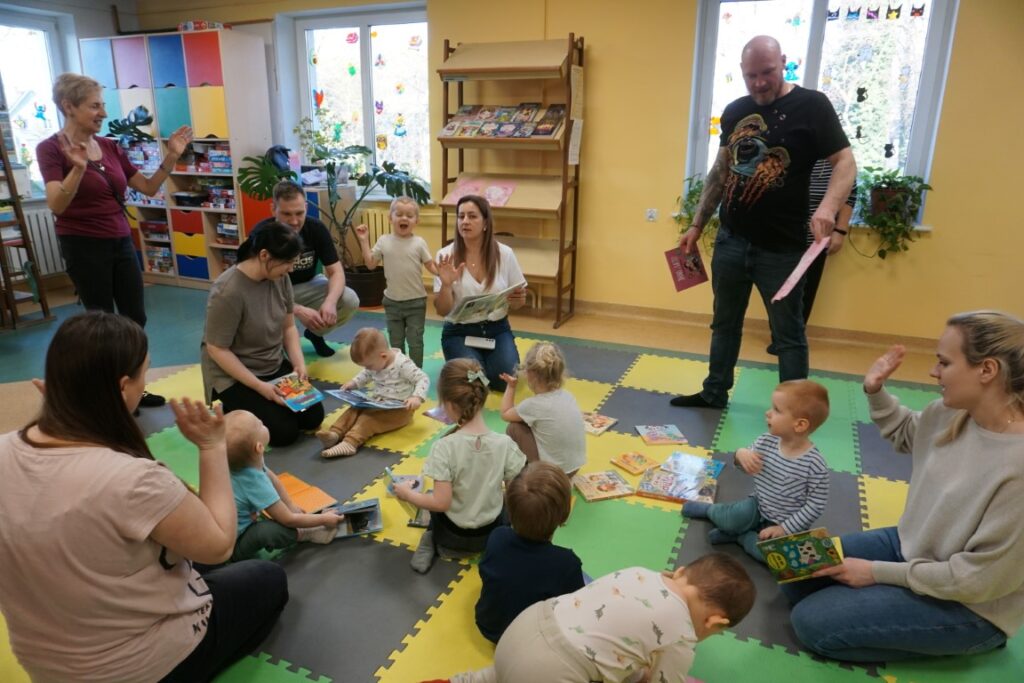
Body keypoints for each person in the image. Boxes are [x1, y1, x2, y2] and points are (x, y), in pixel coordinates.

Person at [0, 312, 287, 682]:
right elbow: (219, 545)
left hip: (46, 666)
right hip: (138, 668)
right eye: (145, 374)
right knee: (267, 578)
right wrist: (211, 446)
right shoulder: (132, 478)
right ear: (122, 388)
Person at [785, 311, 1024, 662]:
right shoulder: (949, 412)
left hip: (969, 604)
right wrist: (874, 390)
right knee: (794, 570)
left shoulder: (1016, 466)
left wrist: (876, 573)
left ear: (987, 370)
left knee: (811, 622)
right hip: (911, 545)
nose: (934, 372)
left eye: (944, 362)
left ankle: (963, 640)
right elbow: (910, 433)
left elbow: (978, 581)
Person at [672, 35, 856, 409]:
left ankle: (795, 408)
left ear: (784, 63)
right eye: (751, 75)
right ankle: (714, 392)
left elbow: (846, 163)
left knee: (788, 334)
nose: (759, 82)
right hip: (731, 241)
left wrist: (828, 208)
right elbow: (721, 172)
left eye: (767, 72)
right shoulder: (735, 110)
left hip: (784, 249)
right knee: (724, 324)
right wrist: (696, 225)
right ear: (742, 72)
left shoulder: (812, 106)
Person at [37, 73, 194, 408]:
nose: (104, 113)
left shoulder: (110, 146)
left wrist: (171, 156)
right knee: (100, 321)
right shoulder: (51, 149)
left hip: (120, 240)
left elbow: (148, 188)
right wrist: (77, 169)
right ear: (69, 106)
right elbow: (56, 204)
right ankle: (108, 394)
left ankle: (133, 385)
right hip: (82, 244)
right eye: (95, 106)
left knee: (135, 318)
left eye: (103, 105)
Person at [447, 553, 756, 683]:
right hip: (552, 670)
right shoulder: (683, 637)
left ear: (679, 573)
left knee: (501, 675)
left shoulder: (641, 573)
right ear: (715, 623)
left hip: (523, 626)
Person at [394, 358, 527, 574]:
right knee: (503, 499)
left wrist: (406, 494)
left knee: (431, 497)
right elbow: (515, 496)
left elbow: (441, 503)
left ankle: (430, 539)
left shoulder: (444, 447)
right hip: (491, 536)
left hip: (451, 537)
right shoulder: (505, 444)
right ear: (482, 398)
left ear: (446, 403)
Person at [201, 222, 325, 447]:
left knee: (312, 416)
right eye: (287, 262)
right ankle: (232, 405)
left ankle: (252, 404)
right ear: (264, 255)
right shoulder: (227, 291)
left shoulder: (280, 278)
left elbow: (288, 327)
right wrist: (260, 388)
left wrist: (299, 365)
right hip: (235, 374)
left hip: (271, 364)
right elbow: (216, 348)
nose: (290, 269)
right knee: (284, 433)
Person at [683, 379, 830, 562]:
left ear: (799, 425)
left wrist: (785, 528)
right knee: (731, 518)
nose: (768, 413)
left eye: (776, 410)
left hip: (786, 523)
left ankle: (740, 537)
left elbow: (816, 505)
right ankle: (710, 511)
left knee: (774, 558)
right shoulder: (766, 441)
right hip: (759, 506)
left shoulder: (814, 464)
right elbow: (746, 467)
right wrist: (740, 454)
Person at [475, 462, 585, 643]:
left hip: (488, 625)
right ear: (564, 515)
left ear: (509, 509)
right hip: (529, 642)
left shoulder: (497, 536)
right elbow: (575, 608)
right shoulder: (566, 563)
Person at [251, 180, 360, 358]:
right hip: (270, 292)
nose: (294, 221)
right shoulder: (261, 233)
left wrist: (330, 302)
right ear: (273, 209)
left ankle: (315, 334)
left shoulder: (316, 228)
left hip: (307, 286)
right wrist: (298, 309)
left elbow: (336, 272)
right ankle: (278, 343)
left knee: (348, 299)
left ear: (306, 207)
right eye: (286, 214)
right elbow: (254, 289)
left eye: (299, 213)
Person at [434, 195, 528, 391]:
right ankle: (470, 361)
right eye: (461, 217)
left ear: (485, 222)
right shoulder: (446, 255)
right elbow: (442, 311)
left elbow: (518, 303)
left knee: (507, 380)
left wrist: (518, 299)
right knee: (475, 384)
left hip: (496, 329)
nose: (465, 221)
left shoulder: (505, 254)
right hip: (459, 332)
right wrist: (445, 285)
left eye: (472, 216)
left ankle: (480, 361)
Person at [226, 410, 344, 561]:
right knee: (272, 530)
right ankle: (306, 534)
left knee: (277, 513)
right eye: (260, 424)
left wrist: (290, 505)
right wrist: (323, 519)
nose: (263, 421)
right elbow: (288, 520)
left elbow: (271, 478)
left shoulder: (242, 460)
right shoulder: (252, 480)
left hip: (225, 528)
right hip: (231, 548)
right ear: (259, 447)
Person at [315, 327, 429, 458]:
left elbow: (422, 378)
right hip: (377, 403)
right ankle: (335, 434)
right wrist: (354, 383)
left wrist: (416, 397)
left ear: (383, 356)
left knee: (368, 420)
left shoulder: (402, 364)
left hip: (400, 410)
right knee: (353, 409)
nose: (367, 369)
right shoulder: (377, 361)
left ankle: (350, 443)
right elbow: (366, 374)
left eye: (368, 366)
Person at [355, 196, 438, 367]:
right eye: (399, 214)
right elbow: (370, 264)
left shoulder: (419, 243)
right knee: (396, 343)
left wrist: (444, 273)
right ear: (390, 218)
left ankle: (416, 373)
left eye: (409, 215)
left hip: (416, 302)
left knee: (415, 342)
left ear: (416, 221)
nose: (404, 218)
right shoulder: (384, 241)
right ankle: (399, 371)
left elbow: (430, 265)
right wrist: (364, 241)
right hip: (392, 303)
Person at [499, 342, 586, 476]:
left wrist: (511, 386)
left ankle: (526, 472)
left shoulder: (533, 405)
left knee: (514, 427)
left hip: (552, 475)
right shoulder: (568, 395)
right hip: (574, 468)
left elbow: (505, 413)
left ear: (529, 374)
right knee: (530, 422)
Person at [799, 158, 857, 324]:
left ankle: (794, 336)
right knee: (780, 289)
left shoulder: (839, 158)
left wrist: (840, 231)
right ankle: (779, 334)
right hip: (784, 237)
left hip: (816, 240)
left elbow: (850, 195)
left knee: (806, 291)